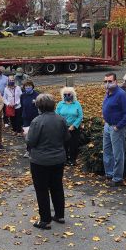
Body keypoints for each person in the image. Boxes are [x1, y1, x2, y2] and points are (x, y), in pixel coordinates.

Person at [26, 94, 70, 230]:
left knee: (42, 189)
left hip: (40, 161)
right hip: (58, 159)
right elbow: (67, 138)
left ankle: (45, 219)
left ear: (39, 107)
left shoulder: (37, 121)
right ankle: (59, 214)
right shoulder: (61, 120)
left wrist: (25, 135)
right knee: (57, 186)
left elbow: (31, 141)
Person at [102, 73, 126, 187]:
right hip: (107, 126)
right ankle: (109, 174)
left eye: (110, 81)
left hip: (116, 128)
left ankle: (117, 178)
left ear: (115, 82)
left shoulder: (121, 94)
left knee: (118, 154)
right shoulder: (108, 93)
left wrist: (118, 126)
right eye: (105, 81)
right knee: (107, 152)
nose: (107, 84)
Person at [55, 87, 83, 166]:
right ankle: (65, 159)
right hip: (63, 127)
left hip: (74, 127)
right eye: (65, 94)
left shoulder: (77, 104)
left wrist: (74, 125)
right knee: (64, 144)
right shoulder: (60, 104)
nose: (67, 95)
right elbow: (56, 115)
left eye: (69, 94)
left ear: (72, 94)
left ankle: (73, 159)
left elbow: (80, 116)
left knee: (73, 144)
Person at [20, 80, 39, 158]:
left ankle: (35, 150)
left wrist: (36, 103)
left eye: (29, 86)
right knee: (27, 135)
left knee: (35, 134)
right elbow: (22, 106)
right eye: (26, 86)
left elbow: (40, 106)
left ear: (32, 86)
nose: (27, 88)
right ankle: (28, 150)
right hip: (26, 118)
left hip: (35, 118)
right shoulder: (22, 95)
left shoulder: (37, 95)